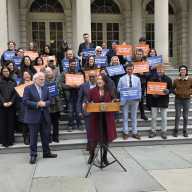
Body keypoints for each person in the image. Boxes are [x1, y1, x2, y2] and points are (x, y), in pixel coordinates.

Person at [23, 72, 57, 164]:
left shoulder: (45, 88)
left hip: (44, 116)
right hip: (33, 117)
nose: (43, 81)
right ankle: (33, 155)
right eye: (41, 79)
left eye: (43, 79)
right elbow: (25, 101)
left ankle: (46, 153)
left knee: (45, 136)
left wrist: (45, 103)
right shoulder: (28, 88)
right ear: (35, 80)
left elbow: (50, 100)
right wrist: (37, 104)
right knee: (33, 137)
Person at [85, 75, 117, 165]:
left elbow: (114, 100)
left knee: (106, 139)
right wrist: (87, 103)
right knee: (93, 139)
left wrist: (114, 101)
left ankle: (104, 157)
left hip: (107, 118)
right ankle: (92, 155)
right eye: (98, 79)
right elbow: (87, 101)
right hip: (96, 118)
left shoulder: (109, 91)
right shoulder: (91, 91)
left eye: (101, 79)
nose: (98, 80)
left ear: (105, 81)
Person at [147, 65, 172, 139]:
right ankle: (153, 131)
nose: (160, 71)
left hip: (163, 100)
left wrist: (168, 91)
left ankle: (164, 131)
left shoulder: (168, 79)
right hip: (154, 100)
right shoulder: (152, 78)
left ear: (164, 70)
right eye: (159, 70)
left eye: (161, 70)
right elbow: (149, 89)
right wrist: (152, 94)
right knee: (154, 117)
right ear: (156, 71)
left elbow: (171, 89)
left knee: (164, 117)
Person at [118, 63, 141, 140]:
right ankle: (126, 132)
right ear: (126, 69)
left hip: (135, 100)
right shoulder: (121, 79)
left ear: (133, 69)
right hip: (125, 100)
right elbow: (118, 89)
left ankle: (134, 132)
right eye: (128, 69)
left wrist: (139, 97)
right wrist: (124, 91)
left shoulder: (137, 79)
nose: (130, 70)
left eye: (131, 69)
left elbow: (139, 89)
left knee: (134, 116)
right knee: (125, 116)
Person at [59, 59, 83, 131]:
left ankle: (79, 124)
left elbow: (82, 84)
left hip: (77, 94)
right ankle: (70, 125)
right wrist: (69, 86)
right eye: (71, 64)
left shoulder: (79, 73)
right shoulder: (64, 73)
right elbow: (61, 83)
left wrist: (77, 86)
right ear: (69, 64)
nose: (73, 65)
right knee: (70, 110)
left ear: (76, 65)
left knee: (78, 110)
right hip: (68, 95)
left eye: (74, 64)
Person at [77, 71, 97, 150]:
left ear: (96, 76)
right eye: (90, 76)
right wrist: (79, 111)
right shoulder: (83, 86)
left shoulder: (100, 85)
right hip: (87, 111)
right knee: (89, 129)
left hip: (97, 111)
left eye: (93, 76)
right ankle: (90, 144)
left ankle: (93, 144)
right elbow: (79, 99)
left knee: (96, 129)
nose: (92, 78)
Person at [172, 65, 192, 137]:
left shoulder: (190, 79)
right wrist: (176, 93)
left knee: (185, 116)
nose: (182, 71)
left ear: (186, 71)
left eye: (184, 70)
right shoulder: (176, 80)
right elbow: (172, 89)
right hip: (178, 99)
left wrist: (189, 93)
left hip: (187, 99)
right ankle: (176, 130)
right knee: (177, 115)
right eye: (181, 70)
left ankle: (185, 130)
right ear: (179, 71)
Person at [0, 66, 17, 147]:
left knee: (10, 123)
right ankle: (4, 141)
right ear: (1, 72)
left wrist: (11, 102)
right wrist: (3, 102)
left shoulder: (13, 81)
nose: (6, 72)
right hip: (2, 106)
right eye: (4, 71)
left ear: (9, 72)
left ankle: (10, 140)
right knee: (3, 123)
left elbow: (15, 93)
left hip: (11, 105)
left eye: (7, 71)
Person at [45, 67, 62, 142]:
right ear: (45, 73)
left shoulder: (56, 80)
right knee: (47, 123)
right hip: (47, 105)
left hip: (56, 104)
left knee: (56, 123)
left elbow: (60, 89)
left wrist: (58, 90)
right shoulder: (43, 81)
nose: (48, 73)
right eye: (47, 72)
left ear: (52, 72)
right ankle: (48, 137)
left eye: (49, 72)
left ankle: (56, 137)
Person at [17, 71, 32, 145]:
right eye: (25, 75)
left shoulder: (33, 83)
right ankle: (25, 138)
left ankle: (30, 137)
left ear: (30, 75)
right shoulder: (20, 84)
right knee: (24, 122)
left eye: (28, 74)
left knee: (31, 122)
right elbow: (18, 95)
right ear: (23, 76)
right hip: (23, 106)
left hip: (32, 105)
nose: (26, 76)